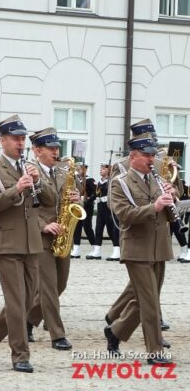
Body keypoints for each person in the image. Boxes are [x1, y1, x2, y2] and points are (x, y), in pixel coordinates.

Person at [0, 115, 57, 373]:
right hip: (6, 242)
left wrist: (37, 182)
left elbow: (50, 200)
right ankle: (20, 354)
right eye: (16, 139)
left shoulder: (30, 167)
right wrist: (16, 189)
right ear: (2, 141)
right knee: (16, 301)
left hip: (31, 242)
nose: (20, 143)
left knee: (27, 299)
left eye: (23, 139)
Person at [106, 133, 173, 364]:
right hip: (137, 249)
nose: (151, 159)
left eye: (153, 155)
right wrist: (154, 207)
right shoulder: (121, 182)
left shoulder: (156, 178)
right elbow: (125, 216)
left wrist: (172, 197)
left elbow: (167, 209)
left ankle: (115, 332)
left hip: (159, 247)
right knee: (151, 303)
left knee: (143, 299)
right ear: (133, 156)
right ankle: (155, 352)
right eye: (146, 155)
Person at [25, 128, 78, 351]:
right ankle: (57, 335)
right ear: (38, 151)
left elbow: (73, 201)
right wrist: (44, 226)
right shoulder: (29, 172)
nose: (57, 152)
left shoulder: (63, 172)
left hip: (63, 233)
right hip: (40, 236)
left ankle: (28, 320)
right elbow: (26, 208)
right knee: (47, 286)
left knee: (60, 284)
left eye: (57, 148)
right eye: (52, 148)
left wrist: (78, 200)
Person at [71, 163, 100, 259]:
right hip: (78, 205)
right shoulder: (75, 180)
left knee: (87, 226)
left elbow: (96, 193)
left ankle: (94, 247)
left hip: (87, 206)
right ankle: (76, 248)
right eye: (78, 169)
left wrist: (88, 201)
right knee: (77, 226)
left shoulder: (90, 180)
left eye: (81, 169)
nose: (79, 171)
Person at [95, 163, 121, 261]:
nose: (101, 170)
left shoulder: (112, 181)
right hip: (100, 207)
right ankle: (97, 251)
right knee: (98, 229)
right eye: (100, 168)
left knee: (112, 230)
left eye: (103, 169)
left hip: (109, 208)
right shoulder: (99, 182)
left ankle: (117, 250)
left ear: (109, 170)